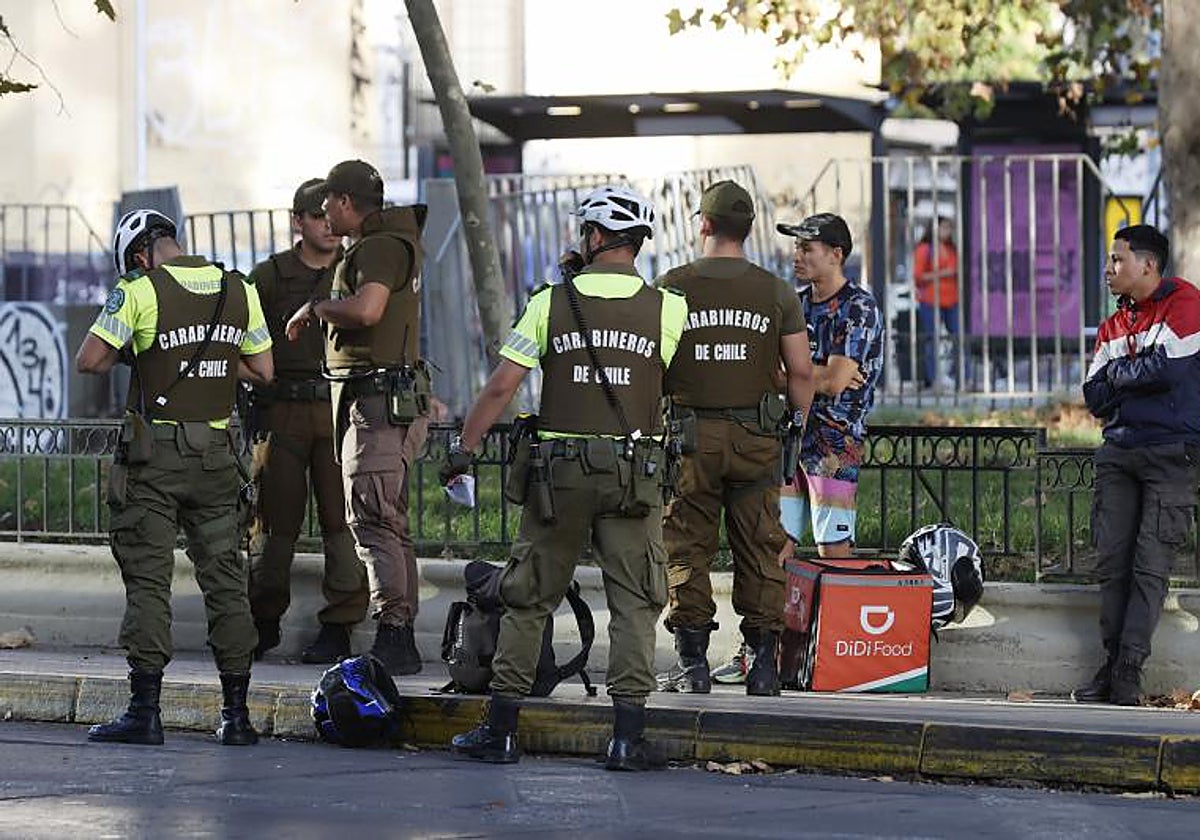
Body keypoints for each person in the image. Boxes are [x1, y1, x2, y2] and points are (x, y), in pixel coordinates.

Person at [440, 185, 688, 771]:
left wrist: (462, 448)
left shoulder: (550, 302)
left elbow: (501, 386)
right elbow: (674, 389)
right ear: (637, 244)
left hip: (559, 478)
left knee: (529, 598)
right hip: (634, 475)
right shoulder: (667, 308)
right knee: (635, 602)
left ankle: (501, 730)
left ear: (595, 237)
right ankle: (627, 738)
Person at [76, 209, 274, 745]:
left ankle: (145, 713)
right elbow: (263, 370)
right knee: (226, 581)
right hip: (217, 456)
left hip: (154, 460)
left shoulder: (139, 291)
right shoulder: (239, 289)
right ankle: (237, 716)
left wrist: (145, 351)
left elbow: (90, 359)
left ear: (140, 255)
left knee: (148, 581)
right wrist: (213, 359)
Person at [654, 180, 814, 697]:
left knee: (687, 545)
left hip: (690, 440)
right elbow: (801, 372)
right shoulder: (775, 291)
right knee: (762, 546)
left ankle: (693, 665)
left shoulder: (672, 286)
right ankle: (763, 667)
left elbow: (651, 363)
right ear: (747, 229)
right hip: (757, 439)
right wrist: (796, 426)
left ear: (704, 223)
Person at [285, 159, 431, 676]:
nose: (324, 213)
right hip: (382, 400)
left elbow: (368, 310)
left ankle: (394, 635)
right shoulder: (385, 243)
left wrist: (317, 309)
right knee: (387, 518)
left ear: (345, 202)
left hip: (376, 405)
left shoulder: (380, 248)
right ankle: (399, 634)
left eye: (328, 203)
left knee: (371, 518)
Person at [1076, 224, 1200, 707]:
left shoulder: (1184, 302)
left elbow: (1168, 369)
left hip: (1172, 453)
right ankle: (1111, 665)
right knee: (1113, 565)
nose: (1109, 269)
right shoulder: (1113, 324)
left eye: (1117, 259)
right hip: (1119, 453)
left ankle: (1128, 671)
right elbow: (1093, 395)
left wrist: (1118, 374)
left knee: (1150, 568)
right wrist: (1132, 375)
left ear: (1148, 265)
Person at [247, 178, 368, 664]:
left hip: (338, 408)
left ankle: (340, 624)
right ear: (298, 221)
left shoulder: (356, 269)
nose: (328, 225)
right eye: (317, 216)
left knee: (342, 523)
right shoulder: (270, 276)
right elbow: (241, 334)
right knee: (274, 523)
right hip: (282, 411)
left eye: (331, 214)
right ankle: (262, 620)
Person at [777, 213, 883, 560]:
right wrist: (818, 376)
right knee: (777, 542)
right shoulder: (794, 304)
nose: (797, 256)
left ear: (836, 254)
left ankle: (833, 601)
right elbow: (770, 370)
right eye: (796, 247)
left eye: (807, 249)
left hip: (834, 444)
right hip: (788, 436)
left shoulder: (859, 308)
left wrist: (795, 374)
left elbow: (835, 382)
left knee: (833, 548)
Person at [913, 218, 961, 389]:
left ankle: (960, 376)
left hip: (952, 299)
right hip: (931, 300)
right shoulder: (924, 249)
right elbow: (918, 276)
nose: (947, 231)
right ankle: (933, 379)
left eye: (949, 227)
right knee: (932, 340)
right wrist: (943, 273)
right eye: (943, 227)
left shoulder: (952, 248)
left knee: (958, 338)